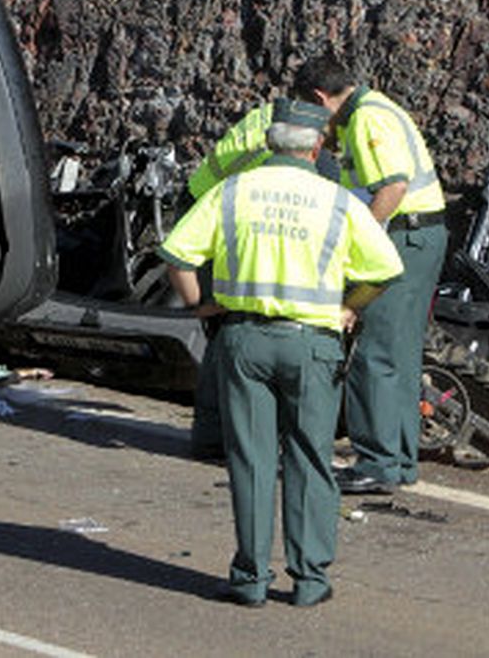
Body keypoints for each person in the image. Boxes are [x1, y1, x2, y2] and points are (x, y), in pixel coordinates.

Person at [158, 102, 403, 607]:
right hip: (312, 344)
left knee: (249, 457)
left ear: (270, 144)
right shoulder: (337, 202)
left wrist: (201, 307)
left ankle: (250, 578)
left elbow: (178, 256)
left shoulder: (232, 192)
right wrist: (347, 309)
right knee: (310, 458)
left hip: (243, 338)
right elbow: (383, 271)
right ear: (315, 148)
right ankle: (310, 578)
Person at [298, 55, 447, 495]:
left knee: (374, 352)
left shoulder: (365, 120)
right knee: (400, 352)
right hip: (421, 237)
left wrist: (362, 242)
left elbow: (393, 187)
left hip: (403, 238)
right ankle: (398, 460)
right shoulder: (378, 107)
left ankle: (379, 463)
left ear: (319, 98)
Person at [186, 93, 338, 460]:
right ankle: (250, 438)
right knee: (243, 335)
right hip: (236, 222)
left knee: (224, 331)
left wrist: (198, 304)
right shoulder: (311, 156)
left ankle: (212, 436)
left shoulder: (265, 121)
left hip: (209, 208)